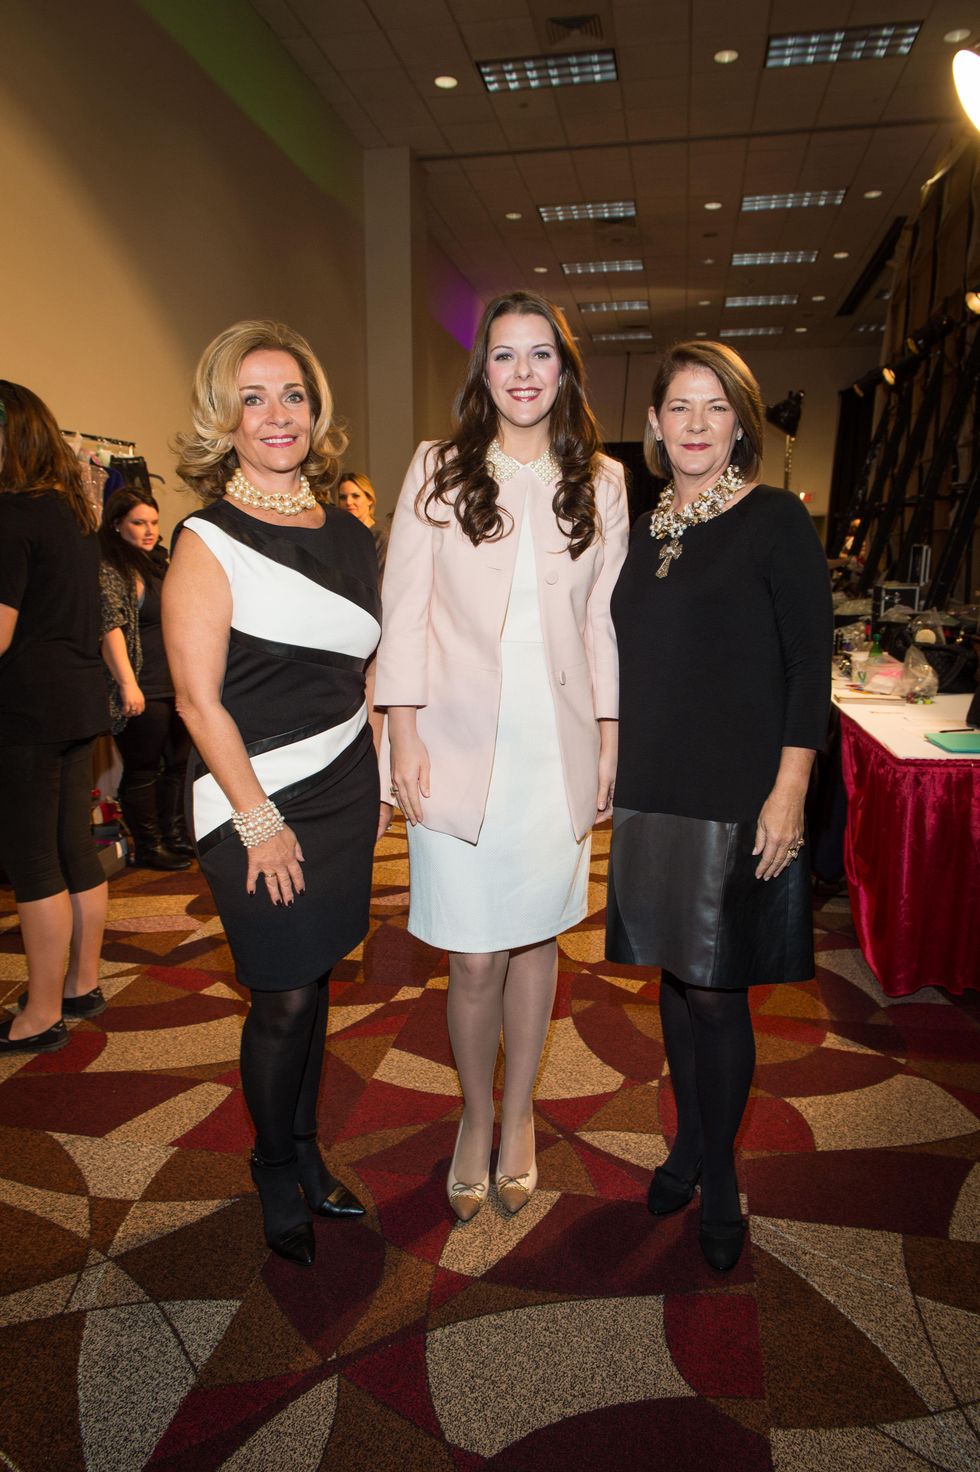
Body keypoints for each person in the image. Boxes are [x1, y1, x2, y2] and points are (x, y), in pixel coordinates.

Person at [375, 290, 628, 1224]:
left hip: (551, 749)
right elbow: (403, 608)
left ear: (565, 371)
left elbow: (601, 623)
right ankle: (472, 1114)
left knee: (536, 942)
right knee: (473, 957)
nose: (524, 373)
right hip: (454, 741)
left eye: (541, 355)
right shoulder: (437, 470)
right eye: (505, 356)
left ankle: (518, 1114)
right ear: (483, 372)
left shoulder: (600, 479)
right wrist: (401, 729)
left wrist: (609, 740)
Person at [606, 341, 832, 1271]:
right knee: (673, 972)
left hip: (739, 790)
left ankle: (722, 1170)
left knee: (716, 985)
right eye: (678, 408)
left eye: (714, 408)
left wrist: (790, 791)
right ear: (655, 424)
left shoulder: (775, 518)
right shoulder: (640, 525)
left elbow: (806, 665)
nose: (695, 425)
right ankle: (688, 1145)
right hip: (653, 787)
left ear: (740, 422)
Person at [164, 320, 385, 1266]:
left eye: (291, 394)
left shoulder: (349, 533)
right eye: (252, 398)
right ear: (226, 420)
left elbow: (370, 665)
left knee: (318, 976)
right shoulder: (207, 542)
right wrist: (259, 824)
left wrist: (375, 771)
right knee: (284, 995)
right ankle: (268, 1164)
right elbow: (196, 700)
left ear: (315, 407)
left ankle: (305, 1149)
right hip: (248, 794)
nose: (277, 415)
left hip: (342, 785)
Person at [0, 381, 110, 1053]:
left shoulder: (9, 515)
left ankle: (40, 1013)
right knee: (74, 846)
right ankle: (81, 983)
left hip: (27, 706)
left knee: (32, 859)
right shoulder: (70, 512)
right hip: (74, 698)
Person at [99, 490, 192, 870]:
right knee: (142, 768)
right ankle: (149, 847)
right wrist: (126, 683)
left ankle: (173, 837)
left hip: (173, 683)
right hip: (142, 684)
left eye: (153, 522)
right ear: (117, 524)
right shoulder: (110, 567)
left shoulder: (156, 564)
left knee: (178, 765)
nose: (150, 530)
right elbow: (111, 628)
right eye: (139, 522)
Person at [338, 471, 388, 581]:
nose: (348, 502)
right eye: (343, 497)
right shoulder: (338, 534)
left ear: (369, 499)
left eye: (355, 496)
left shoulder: (382, 535)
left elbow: (382, 581)